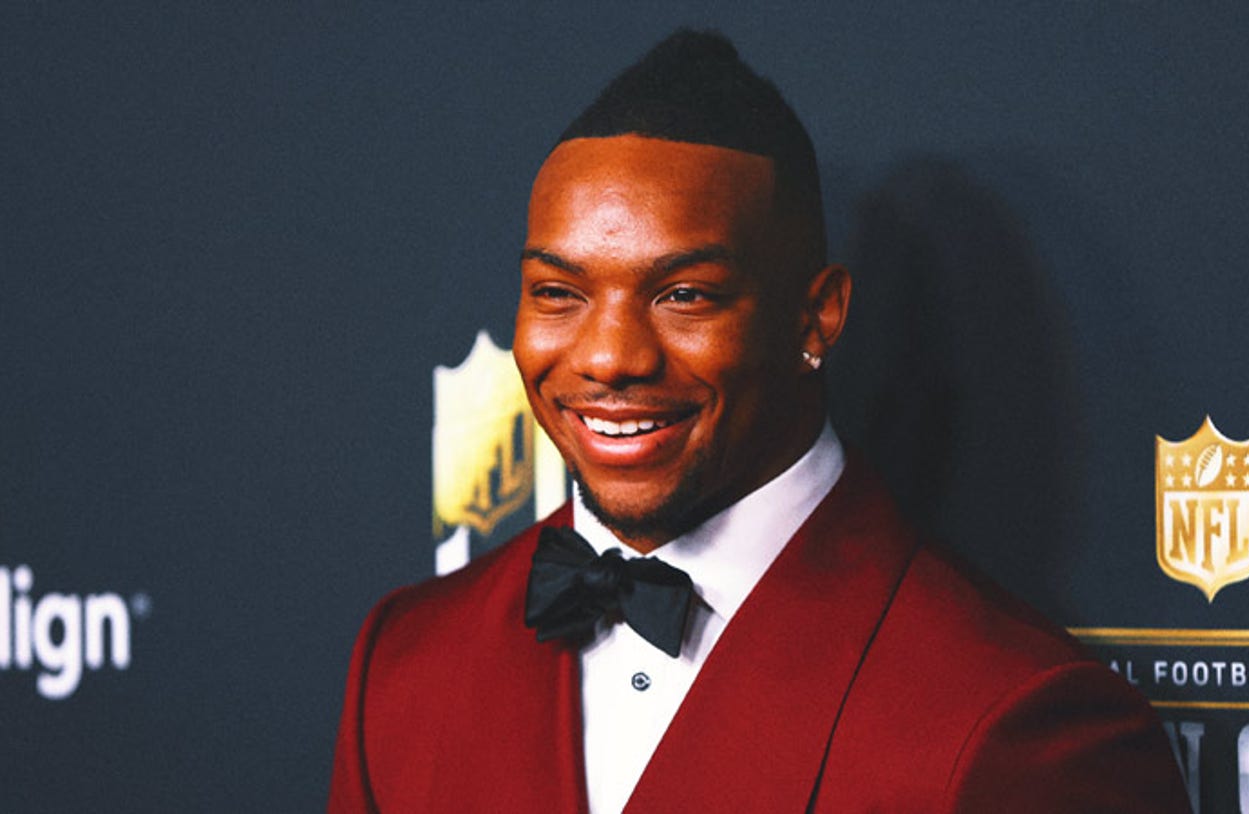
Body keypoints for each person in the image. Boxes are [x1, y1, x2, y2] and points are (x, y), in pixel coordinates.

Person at [329, 30, 1192, 813]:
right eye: (558, 293)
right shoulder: (406, 662)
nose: (609, 357)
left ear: (817, 317)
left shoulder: (1016, 724)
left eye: (683, 295)